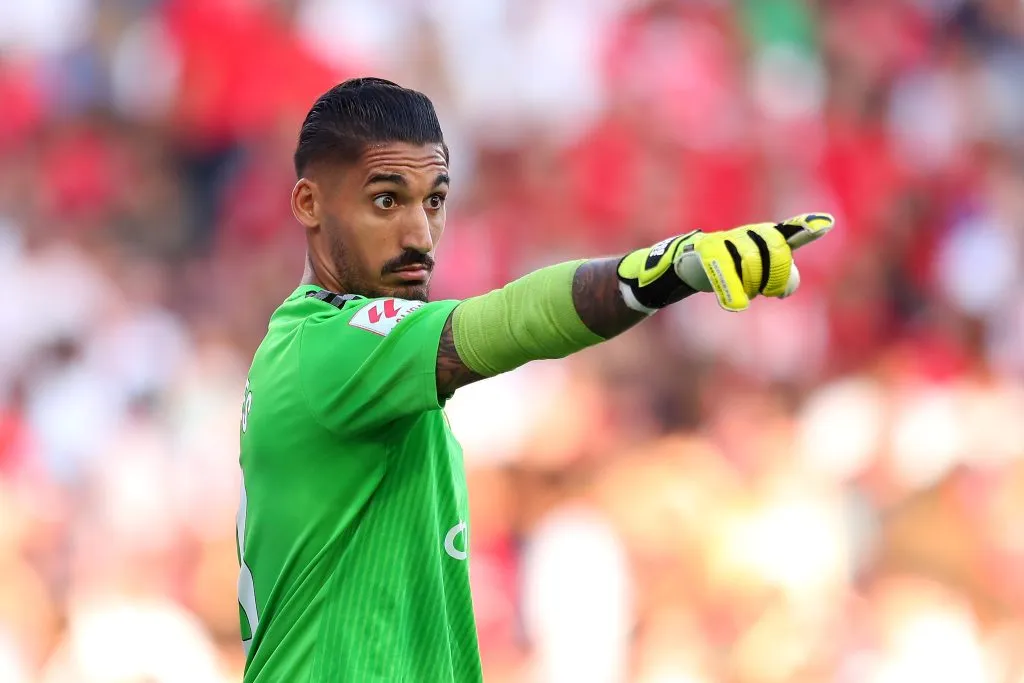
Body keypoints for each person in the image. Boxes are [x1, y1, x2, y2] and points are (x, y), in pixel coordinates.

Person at [235, 76, 834, 682]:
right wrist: (670, 270)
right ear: (309, 204)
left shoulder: (346, 360)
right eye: (386, 201)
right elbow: (508, 322)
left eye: (434, 201)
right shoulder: (330, 347)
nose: (418, 235)